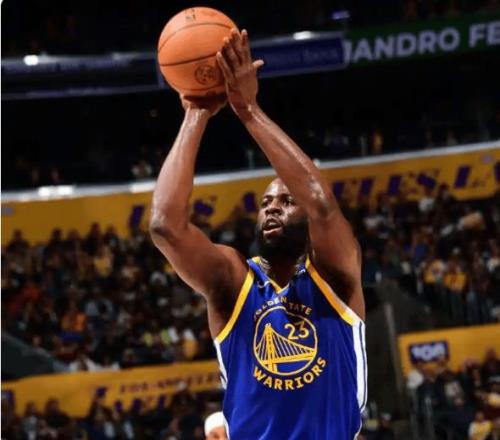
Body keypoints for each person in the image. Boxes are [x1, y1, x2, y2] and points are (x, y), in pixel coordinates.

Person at [150, 28, 366, 439]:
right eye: (266, 202)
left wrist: (248, 110)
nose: (272, 207)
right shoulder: (234, 282)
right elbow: (165, 226)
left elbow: (321, 204)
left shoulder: (336, 276)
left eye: (286, 200)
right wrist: (196, 111)